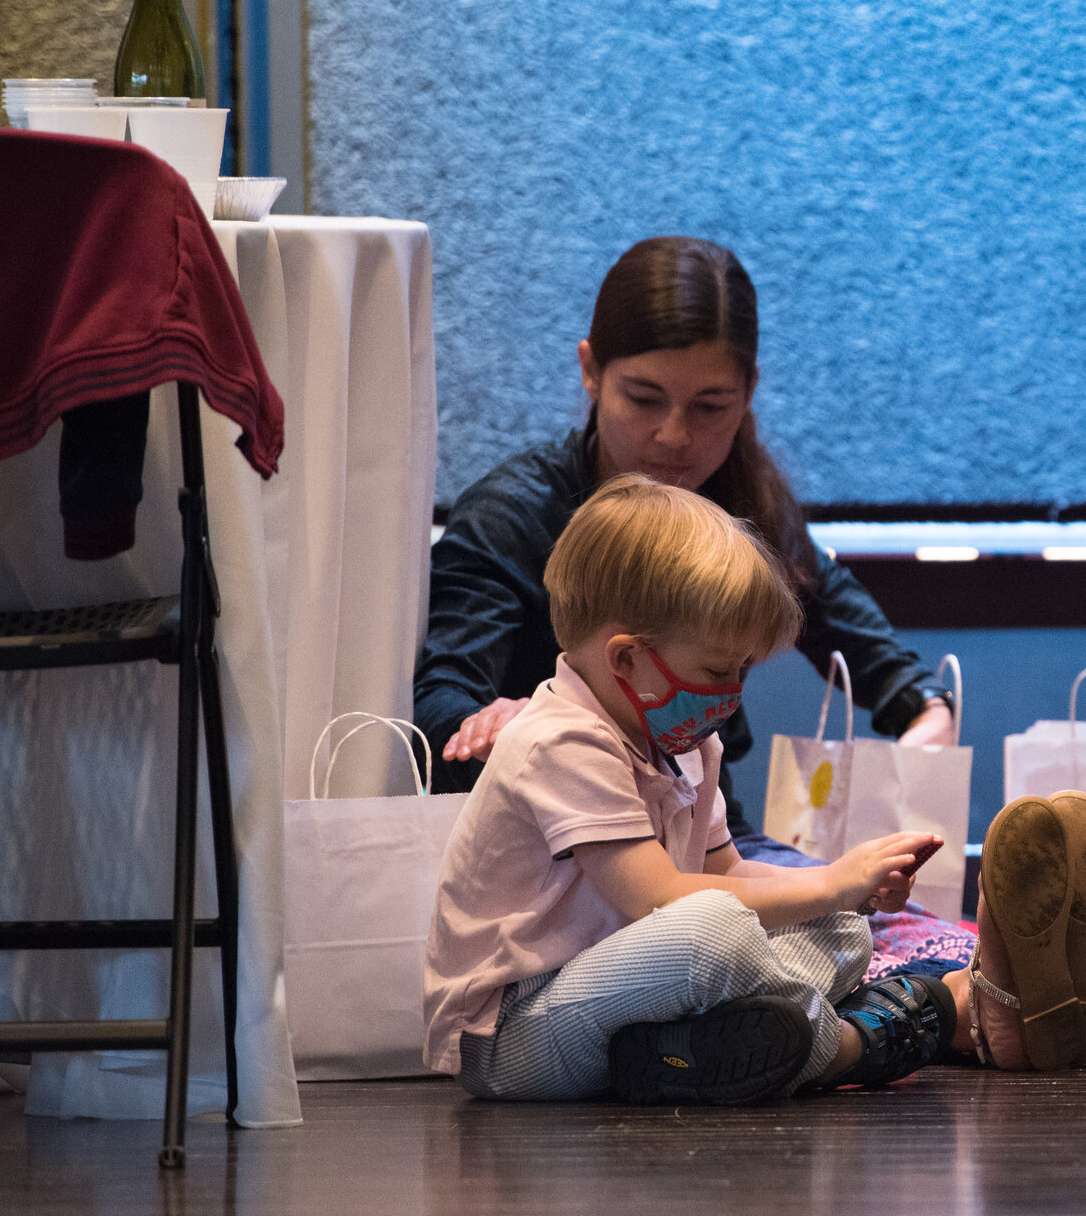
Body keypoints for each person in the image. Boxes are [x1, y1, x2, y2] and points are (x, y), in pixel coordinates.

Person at [414, 236, 968, 975]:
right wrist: (501, 720)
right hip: (562, 880)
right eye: (643, 399)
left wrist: (925, 715)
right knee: (857, 954)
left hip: (714, 851)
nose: (674, 435)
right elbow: (437, 709)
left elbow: (872, 653)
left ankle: (951, 1001)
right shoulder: (511, 516)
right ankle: (930, 1015)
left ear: (748, 394)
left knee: (921, 942)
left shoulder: (744, 507)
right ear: (589, 371)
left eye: (711, 406)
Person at [423, 476, 990, 1103]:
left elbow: (732, 871)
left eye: (744, 669)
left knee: (841, 927)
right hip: (515, 1034)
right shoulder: (560, 740)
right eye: (720, 671)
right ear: (626, 659)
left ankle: (691, 1056)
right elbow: (657, 899)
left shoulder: (687, 745)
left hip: (633, 1000)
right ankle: (845, 1048)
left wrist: (845, 886)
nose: (734, 693)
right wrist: (829, 882)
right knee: (712, 927)